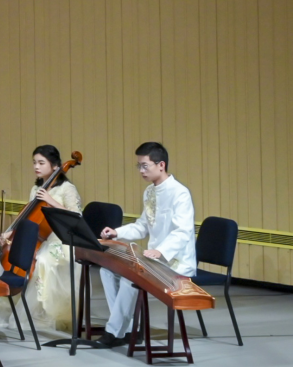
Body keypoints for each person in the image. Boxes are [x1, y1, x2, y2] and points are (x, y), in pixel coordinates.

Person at [95, 142, 196, 348]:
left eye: (145, 166)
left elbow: (183, 231)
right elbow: (142, 226)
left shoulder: (180, 193)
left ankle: (114, 332)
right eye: (139, 166)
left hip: (175, 261)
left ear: (161, 165)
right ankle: (129, 329)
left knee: (130, 277)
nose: (141, 171)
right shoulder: (149, 192)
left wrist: (161, 251)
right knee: (107, 271)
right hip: (153, 258)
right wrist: (117, 232)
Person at [25, 145, 84, 333]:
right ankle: (39, 311)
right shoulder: (36, 188)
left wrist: (51, 201)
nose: (36, 166)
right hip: (45, 237)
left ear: (55, 166)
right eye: (34, 162)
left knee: (43, 259)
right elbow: (30, 217)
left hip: (65, 239)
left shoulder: (67, 188)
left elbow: (76, 217)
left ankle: (51, 313)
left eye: (41, 163)